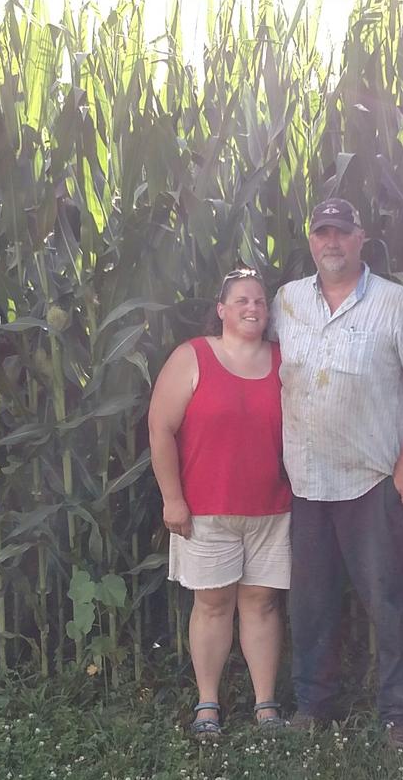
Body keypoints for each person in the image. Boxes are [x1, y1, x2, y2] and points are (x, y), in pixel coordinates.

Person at [271, 198, 403, 752]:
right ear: (310, 239)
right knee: (310, 606)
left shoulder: (395, 303)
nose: (331, 242)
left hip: (372, 481)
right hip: (306, 481)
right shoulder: (286, 301)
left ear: (360, 238)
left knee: (389, 603)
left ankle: (400, 716)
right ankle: (313, 706)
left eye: (341, 232)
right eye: (322, 232)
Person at [148, 268, 292, 738]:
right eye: (242, 300)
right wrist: (172, 499)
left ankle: (266, 706)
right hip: (206, 510)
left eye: (260, 301)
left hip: (272, 508)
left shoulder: (283, 360)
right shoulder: (193, 356)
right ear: (221, 309)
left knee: (262, 604)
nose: (252, 308)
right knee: (212, 605)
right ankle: (207, 705)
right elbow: (160, 428)